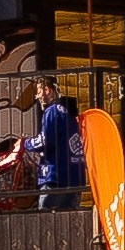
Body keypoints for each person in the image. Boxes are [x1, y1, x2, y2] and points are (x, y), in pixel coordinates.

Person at [25, 77, 84, 210]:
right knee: (69, 223)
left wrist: (25, 143)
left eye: (38, 91)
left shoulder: (52, 111)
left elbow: (45, 141)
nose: (37, 96)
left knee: (48, 224)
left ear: (47, 90)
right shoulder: (71, 114)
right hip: (75, 178)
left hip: (55, 177)